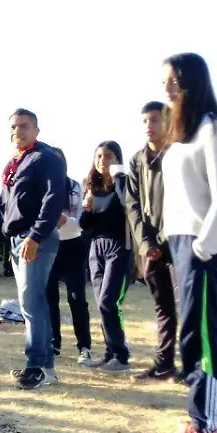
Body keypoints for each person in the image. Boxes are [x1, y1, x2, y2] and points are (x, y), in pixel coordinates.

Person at [155, 53, 217, 433]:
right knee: (209, 333)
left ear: (192, 82)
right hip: (181, 240)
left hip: (202, 243)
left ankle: (203, 425)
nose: (167, 87)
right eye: (166, 80)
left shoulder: (213, 129)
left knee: (197, 335)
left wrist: (205, 246)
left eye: (175, 80)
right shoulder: (184, 132)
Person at [0, 109, 66, 390]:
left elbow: (54, 199)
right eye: (14, 127)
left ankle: (37, 365)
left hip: (35, 239)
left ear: (37, 129)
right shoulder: (13, 164)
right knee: (32, 303)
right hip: (16, 240)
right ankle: (44, 367)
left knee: (32, 303)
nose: (19, 131)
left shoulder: (45, 157)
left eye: (25, 126)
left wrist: (36, 236)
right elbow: (2, 206)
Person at [127, 102, 183, 382]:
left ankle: (195, 366)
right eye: (145, 121)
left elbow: (182, 202)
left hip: (178, 244)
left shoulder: (179, 155)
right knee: (163, 308)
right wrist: (146, 243)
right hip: (149, 249)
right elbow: (133, 205)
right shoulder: (137, 160)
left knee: (187, 306)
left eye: (155, 120)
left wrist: (162, 241)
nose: (149, 126)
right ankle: (163, 365)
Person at [79, 141, 132, 372]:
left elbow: (127, 204)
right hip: (96, 248)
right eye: (99, 156)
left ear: (117, 159)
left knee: (109, 302)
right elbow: (85, 226)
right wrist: (87, 209)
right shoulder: (92, 186)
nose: (102, 161)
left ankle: (121, 356)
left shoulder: (125, 183)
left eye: (108, 156)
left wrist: (118, 177)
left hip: (120, 247)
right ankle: (110, 353)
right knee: (102, 305)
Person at [45, 147, 92, 363]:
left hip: (73, 245)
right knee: (49, 298)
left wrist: (67, 222)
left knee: (77, 298)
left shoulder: (74, 187)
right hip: (48, 246)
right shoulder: (41, 187)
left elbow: (81, 220)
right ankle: (54, 344)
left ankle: (84, 346)